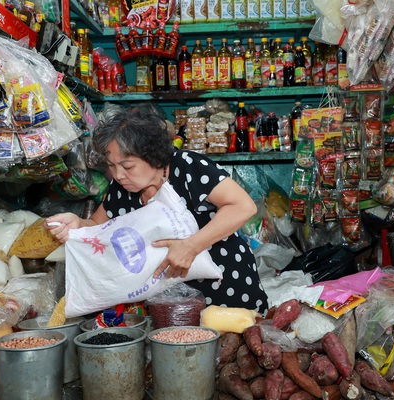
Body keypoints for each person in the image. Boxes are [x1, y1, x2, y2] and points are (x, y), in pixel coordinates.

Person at [45, 107, 269, 314]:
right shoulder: (122, 189)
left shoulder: (187, 167)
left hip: (226, 286)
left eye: (127, 165)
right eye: (112, 166)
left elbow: (243, 206)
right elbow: (97, 226)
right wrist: (77, 225)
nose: (119, 175)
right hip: (169, 303)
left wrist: (191, 246)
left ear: (151, 154)